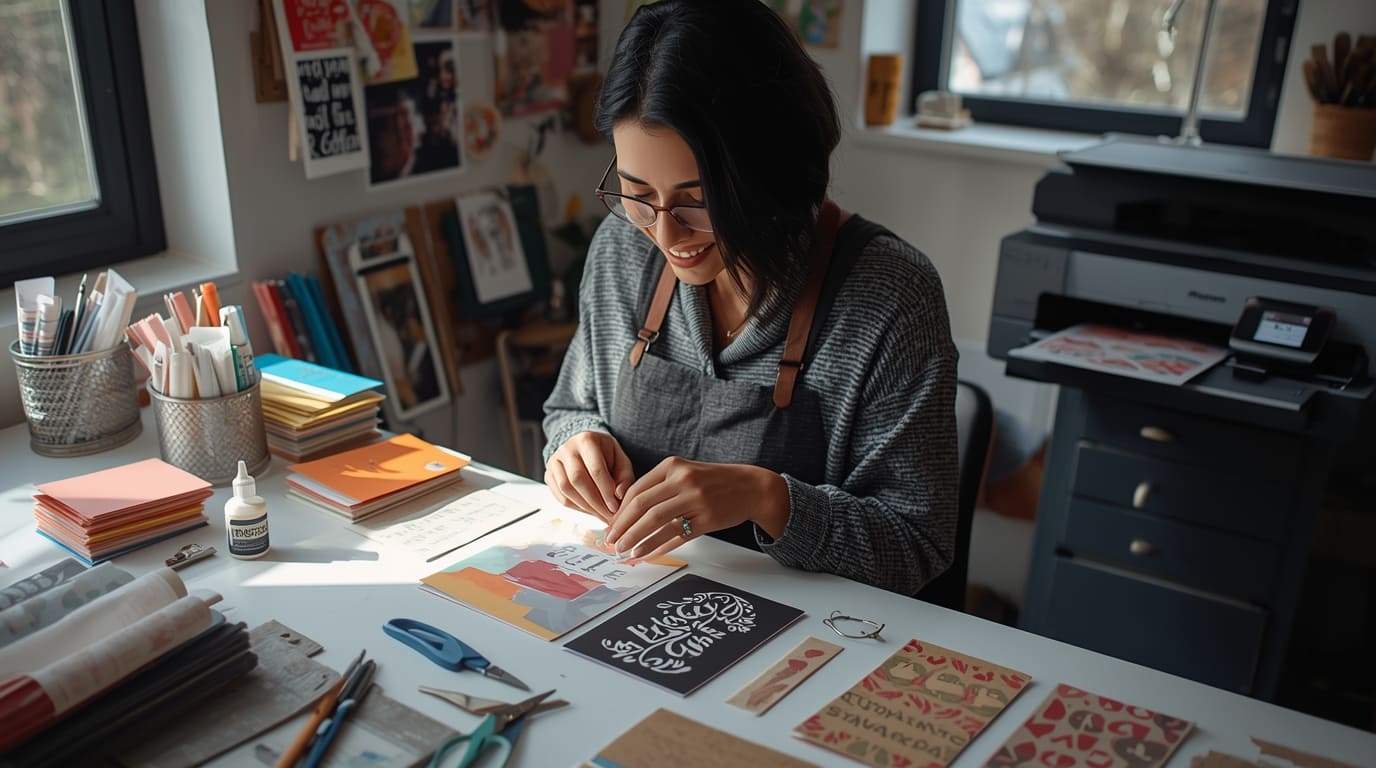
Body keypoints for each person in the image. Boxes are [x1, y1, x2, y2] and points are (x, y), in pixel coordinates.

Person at [541, 0, 958, 596]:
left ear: (772, 173)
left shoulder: (890, 297)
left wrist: (768, 498)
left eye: (697, 201)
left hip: (806, 643)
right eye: (637, 194)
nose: (665, 235)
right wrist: (575, 445)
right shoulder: (622, 247)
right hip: (631, 600)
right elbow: (568, 407)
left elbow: (917, 545)